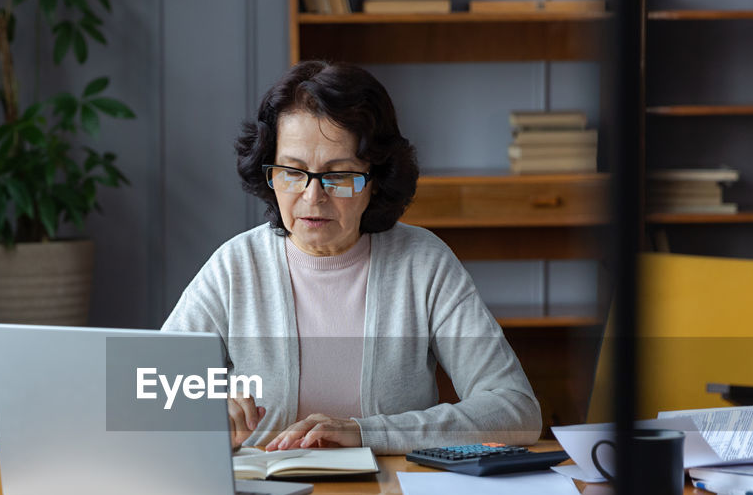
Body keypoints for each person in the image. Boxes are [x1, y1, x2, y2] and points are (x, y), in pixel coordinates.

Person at [162, 60, 541, 454]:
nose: (312, 197)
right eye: (292, 171)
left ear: (375, 181)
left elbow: (516, 409)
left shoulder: (423, 264)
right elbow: (145, 393)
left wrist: (368, 433)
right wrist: (200, 411)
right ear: (268, 172)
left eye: (339, 175)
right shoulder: (235, 267)